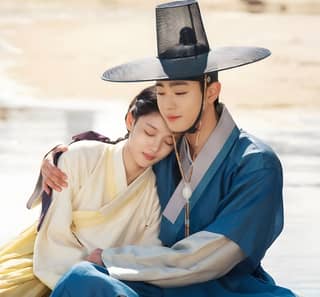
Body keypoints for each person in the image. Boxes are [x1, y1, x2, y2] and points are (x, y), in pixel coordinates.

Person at [42, 1, 298, 296]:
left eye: (180, 92)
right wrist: (58, 155)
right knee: (82, 277)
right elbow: (118, 151)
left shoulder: (256, 165)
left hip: (227, 288)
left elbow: (214, 257)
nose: (168, 104)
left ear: (211, 91)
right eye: (161, 92)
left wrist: (112, 259)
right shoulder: (167, 152)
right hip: (161, 282)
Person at [0, 86, 174, 296]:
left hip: (105, 277)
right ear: (130, 121)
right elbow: (55, 235)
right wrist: (80, 279)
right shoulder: (80, 157)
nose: (155, 147)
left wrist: (102, 270)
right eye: (149, 132)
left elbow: (145, 251)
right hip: (48, 261)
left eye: (168, 142)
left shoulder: (156, 190)